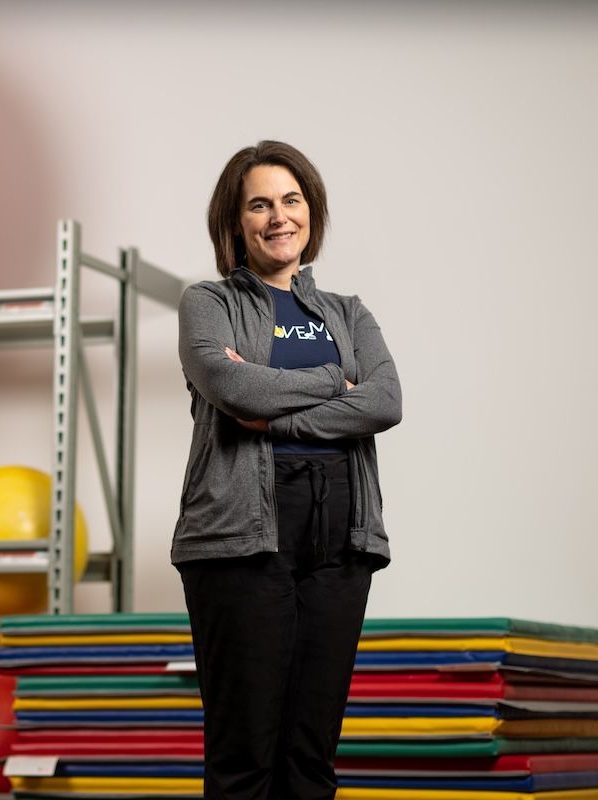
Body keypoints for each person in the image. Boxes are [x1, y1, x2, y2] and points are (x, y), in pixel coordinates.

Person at [172, 140, 402, 800]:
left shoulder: (348, 312)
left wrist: (277, 414)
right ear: (236, 221)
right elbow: (230, 387)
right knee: (246, 759)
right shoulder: (208, 303)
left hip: (340, 534)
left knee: (311, 757)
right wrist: (339, 381)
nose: (279, 216)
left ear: (312, 211)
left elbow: (385, 401)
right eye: (260, 204)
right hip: (239, 533)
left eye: (291, 200)